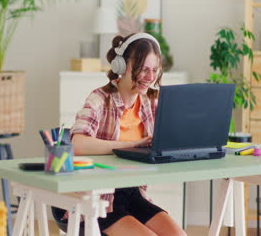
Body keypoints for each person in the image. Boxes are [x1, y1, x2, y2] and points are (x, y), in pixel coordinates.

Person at [70, 33, 186, 236]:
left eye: (154, 70)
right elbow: (77, 144)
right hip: (99, 199)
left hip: (133, 194)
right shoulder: (100, 99)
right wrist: (128, 146)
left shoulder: (152, 102)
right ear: (121, 66)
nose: (150, 78)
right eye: (143, 69)